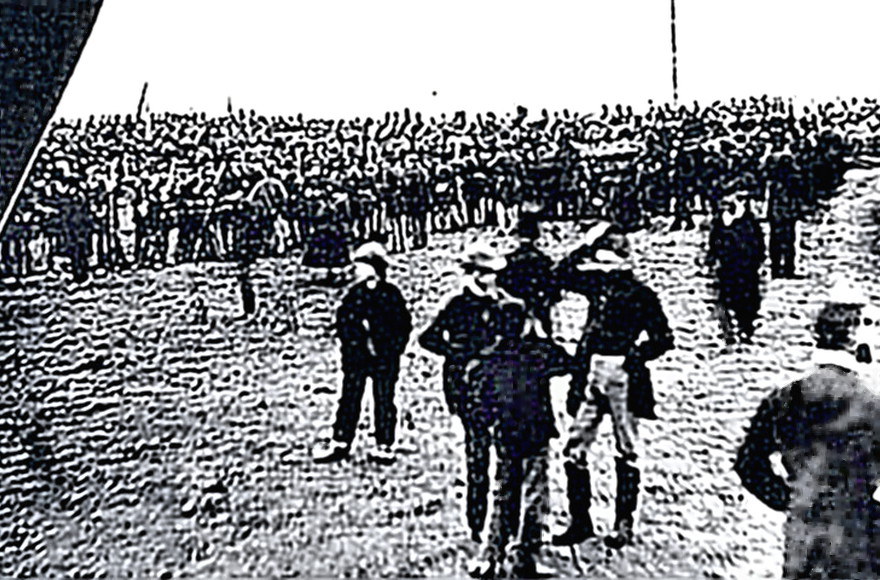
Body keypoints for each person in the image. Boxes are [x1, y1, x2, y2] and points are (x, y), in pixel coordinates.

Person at [735, 282, 880, 579]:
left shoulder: (785, 398)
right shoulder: (871, 405)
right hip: (859, 532)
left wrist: (790, 498)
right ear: (855, 341)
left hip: (804, 527)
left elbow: (749, 464)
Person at [553, 222, 674, 550]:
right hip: (590, 371)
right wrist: (585, 244)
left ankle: (624, 523)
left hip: (624, 373)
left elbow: (664, 339)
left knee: (627, 449)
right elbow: (560, 274)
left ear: (624, 260)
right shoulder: (595, 284)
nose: (604, 268)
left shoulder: (642, 294)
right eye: (600, 260)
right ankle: (581, 521)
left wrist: (634, 356)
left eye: (610, 261)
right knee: (574, 447)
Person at [419, 242, 526, 543]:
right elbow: (428, 338)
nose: (487, 279)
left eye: (491, 273)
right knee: (477, 459)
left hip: (502, 392)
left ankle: (507, 525)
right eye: (480, 273)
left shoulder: (509, 307)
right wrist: (460, 355)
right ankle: (476, 524)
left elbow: (517, 349)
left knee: (508, 460)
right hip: (467, 393)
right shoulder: (457, 306)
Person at [468, 315, 574, 578]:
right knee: (534, 495)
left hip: (506, 436)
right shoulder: (537, 353)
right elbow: (566, 362)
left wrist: (493, 425)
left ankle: (490, 555)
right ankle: (523, 558)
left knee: (503, 492)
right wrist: (541, 334)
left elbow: (479, 402)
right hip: (535, 434)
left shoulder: (490, 358)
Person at [313, 242, 412, 465]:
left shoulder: (391, 295)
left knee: (384, 399)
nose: (356, 270)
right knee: (349, 397)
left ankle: (384, 444)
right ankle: (341, 441)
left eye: (362, 265)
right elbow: (343, 323)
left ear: (375, 268)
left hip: (385, 359)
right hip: (356, 359)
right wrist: (352, 344)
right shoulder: (353, 296)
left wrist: (391, 350)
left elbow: (402, 326)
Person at [706, 188, 765, 345]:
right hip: (728, 266)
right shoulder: (720, 223)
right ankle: (728, 329)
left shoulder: (749, 222)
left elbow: (758, 243)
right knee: (725, 298)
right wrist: (712, 259)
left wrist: (759, 260)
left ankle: (746, 329)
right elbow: (714, 242)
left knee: (748, 301)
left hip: (747, 267)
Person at [496, 212, 559, 334]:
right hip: (534, 298)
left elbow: (502, 280)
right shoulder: (543, 260)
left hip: (518, 297)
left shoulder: (511, 259)